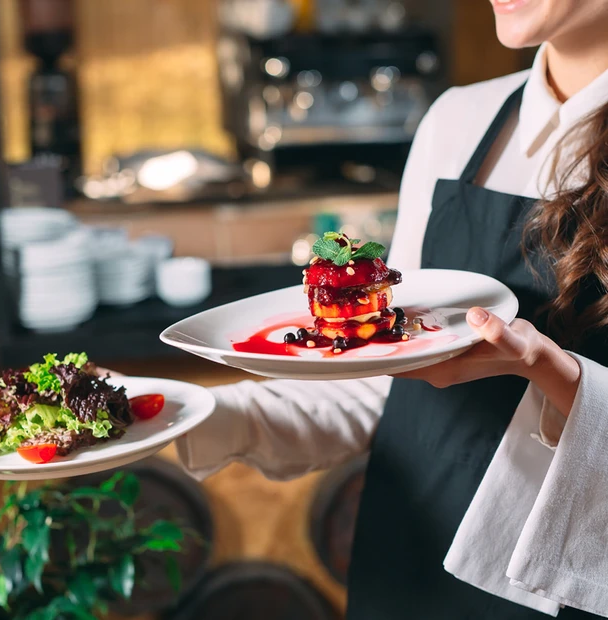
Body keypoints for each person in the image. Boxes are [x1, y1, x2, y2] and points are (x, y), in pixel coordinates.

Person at [174, 0, 608, 617]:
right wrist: (190, 414)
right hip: (406, 563)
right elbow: (385, 381)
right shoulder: (458, 122)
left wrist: (551, 372)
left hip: (566, 586)